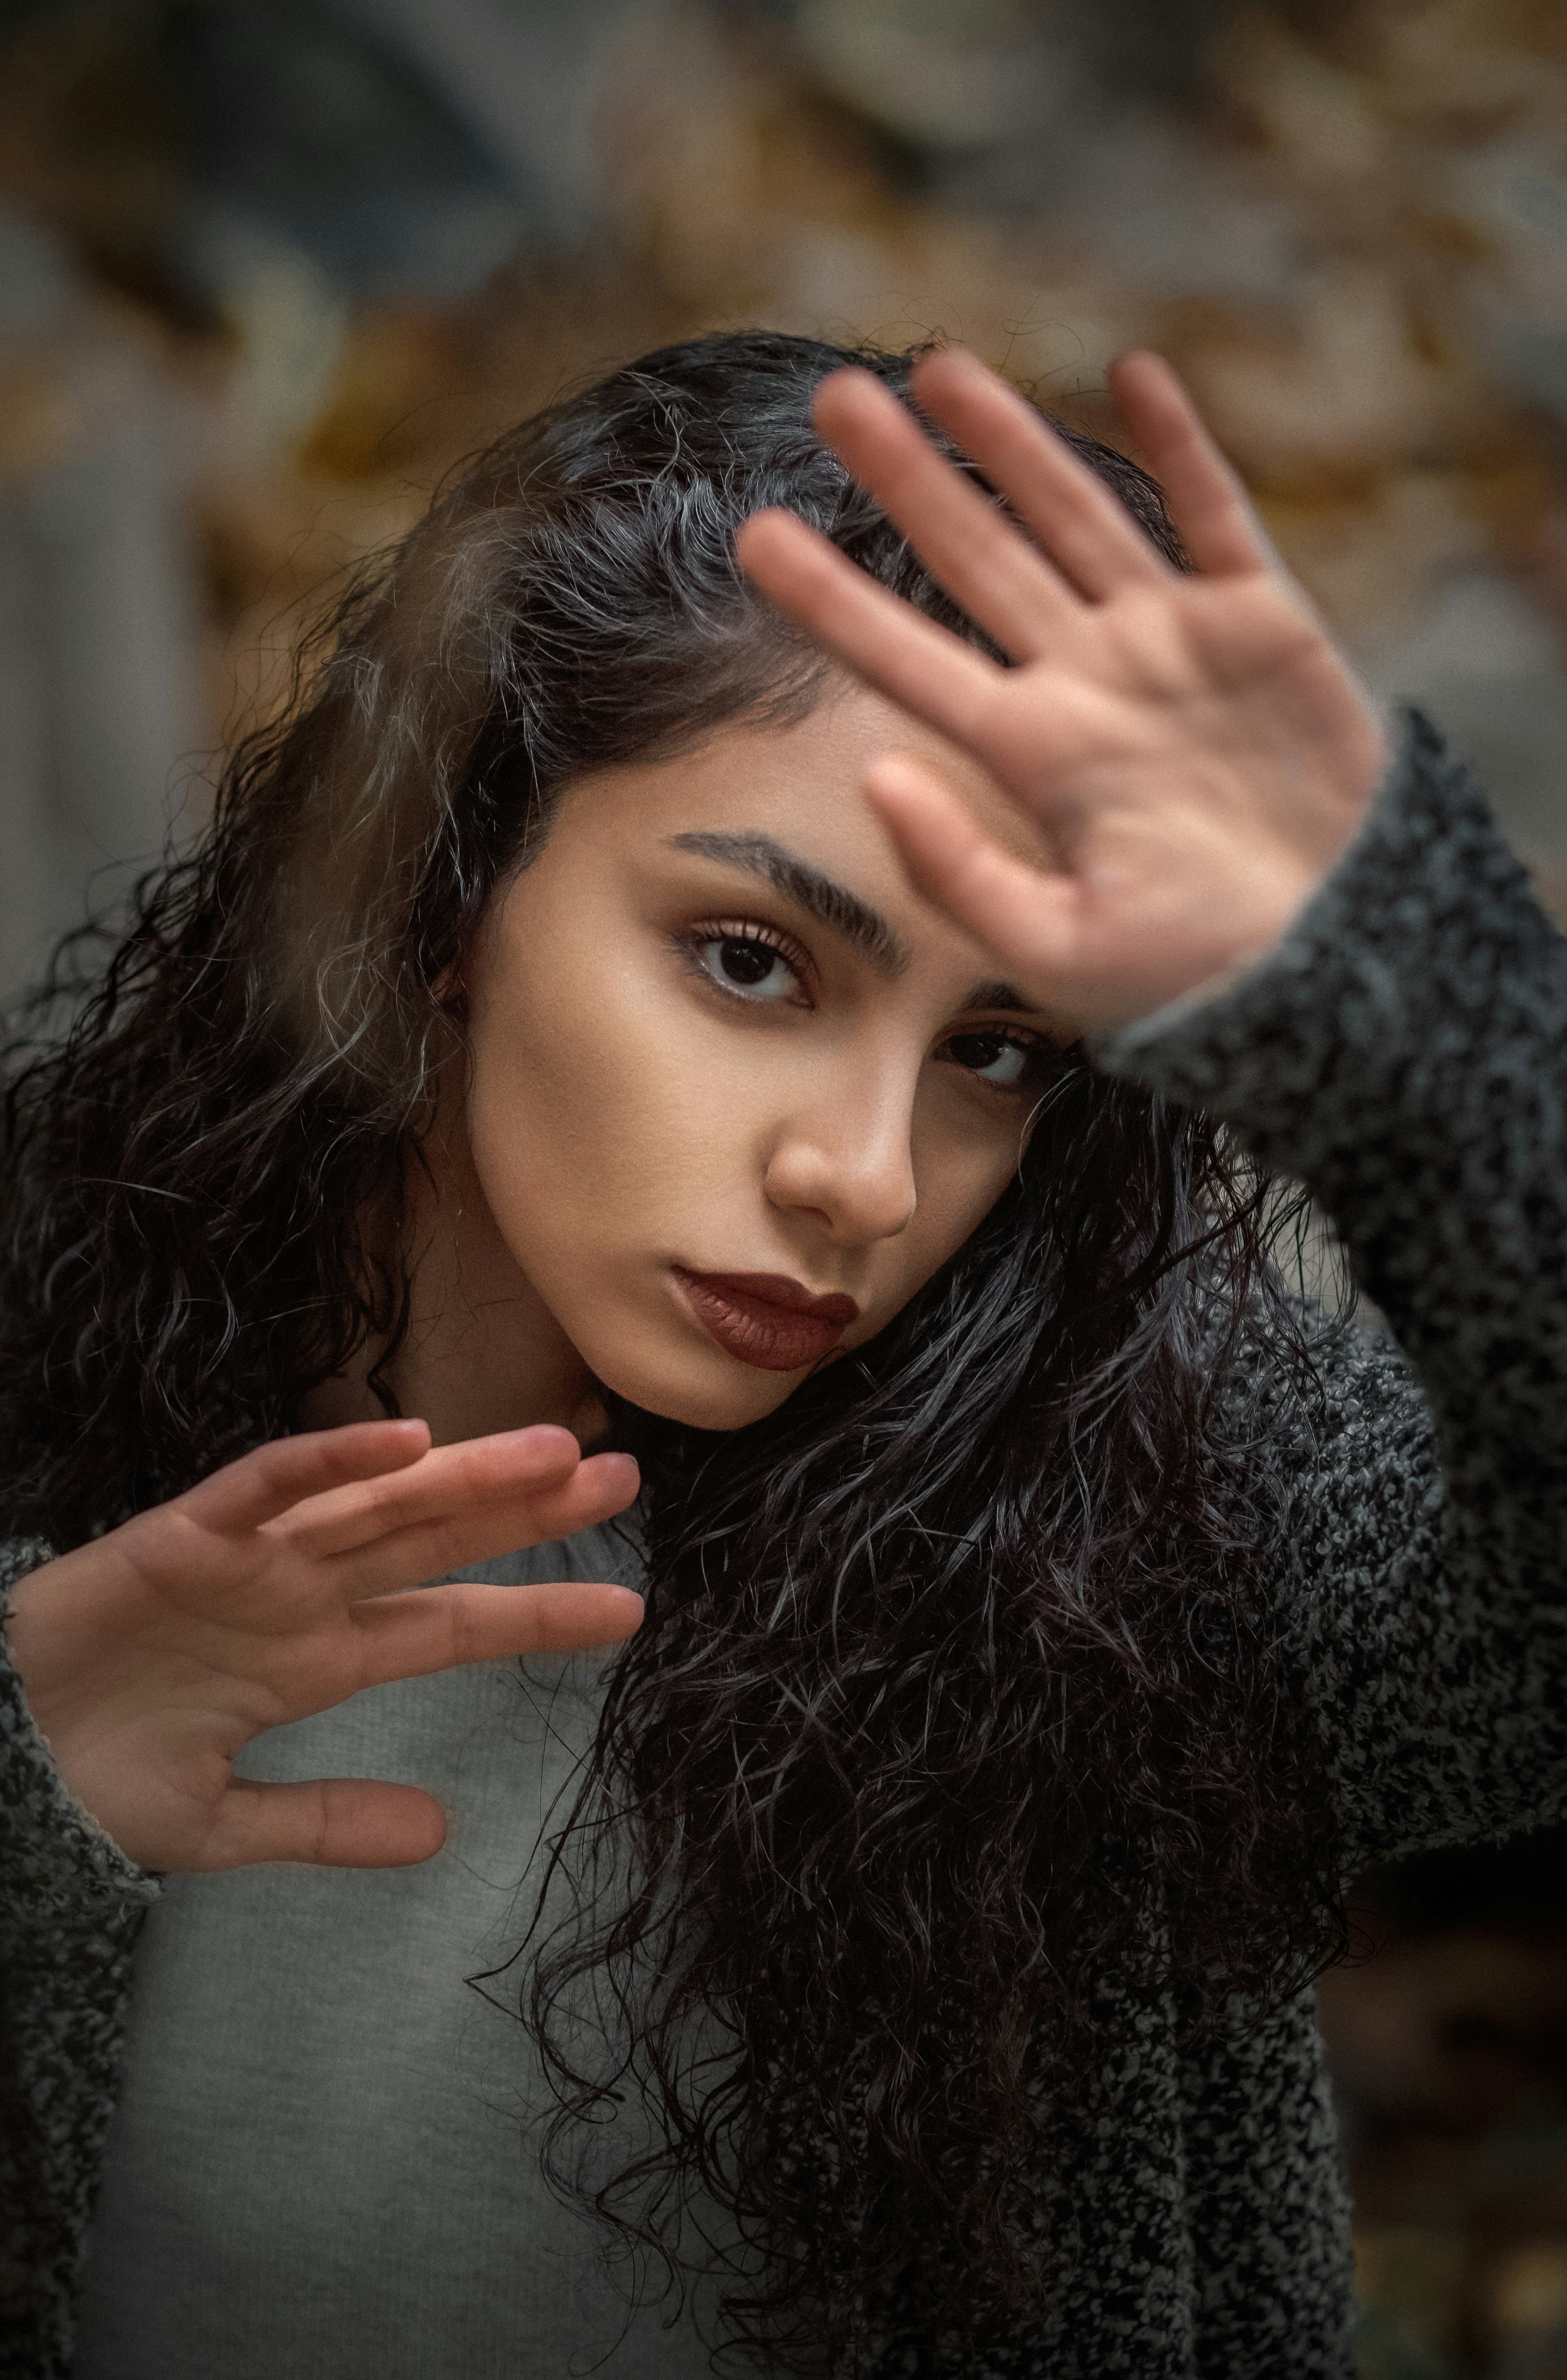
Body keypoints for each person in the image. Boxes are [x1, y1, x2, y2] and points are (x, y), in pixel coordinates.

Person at [0, 327, 1562, 2380]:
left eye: (995, 1052)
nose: (865, 1176)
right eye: (752, 960)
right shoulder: (41, 1355)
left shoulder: (1132, 1515)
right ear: (446, 880)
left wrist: (1407, 988)